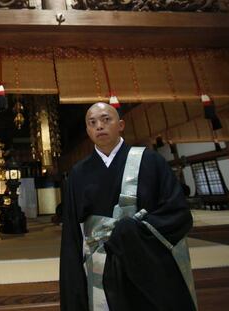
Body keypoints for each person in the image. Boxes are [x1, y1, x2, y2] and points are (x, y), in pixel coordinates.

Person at [59, 102, 196, 311]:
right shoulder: (78, 173)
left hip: (147, 262)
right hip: (100, 264)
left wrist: (132, 231)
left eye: (106, 120)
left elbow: (178, 212)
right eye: (92, 122)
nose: (99, 126)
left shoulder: (150, 160)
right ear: (87, 130)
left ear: (121, 124)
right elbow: (71, 234)